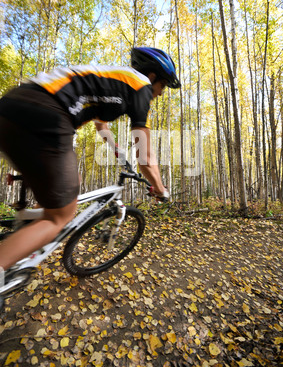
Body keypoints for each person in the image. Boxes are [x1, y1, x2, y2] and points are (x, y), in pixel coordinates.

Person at [0, 47, 180, 272]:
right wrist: (160, 188)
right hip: (48, 114)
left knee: (68, 183)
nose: (161, 93)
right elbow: (145, 156)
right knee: (61, 216)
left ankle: (23, 237)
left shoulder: (115, 80)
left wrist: (118, 152)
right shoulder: (141, 86)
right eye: (163, 85)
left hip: (13, 105)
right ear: (152, 76)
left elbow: (101, 126)